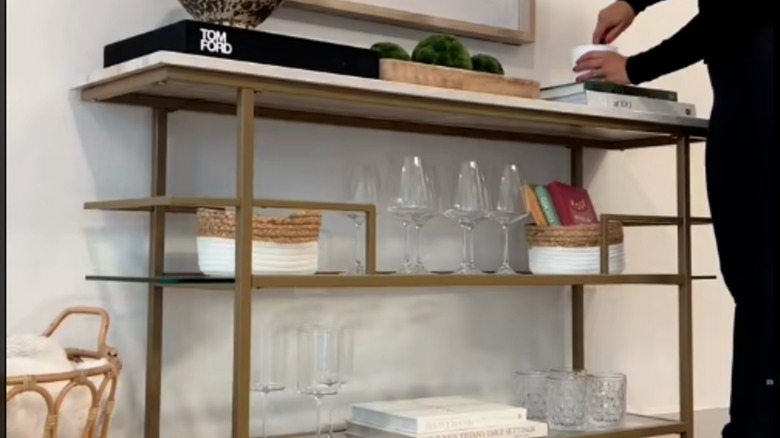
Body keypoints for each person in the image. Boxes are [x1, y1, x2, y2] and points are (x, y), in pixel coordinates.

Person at [573, 2, 774, 437]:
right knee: (759, 283)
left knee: (761, 283)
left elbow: (731, 14)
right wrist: (633, 1)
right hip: (752, 99)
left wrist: (636, 67)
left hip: (761, 106)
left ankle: (757, 426)